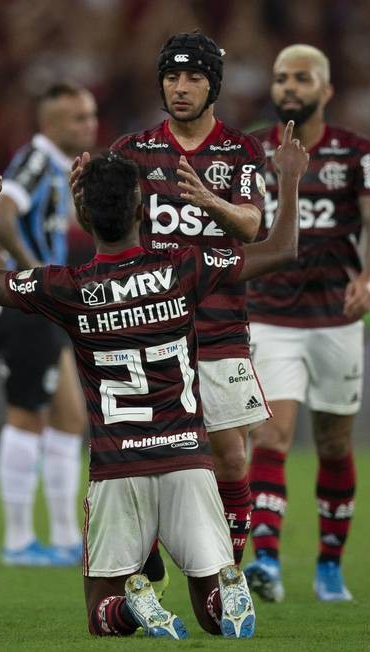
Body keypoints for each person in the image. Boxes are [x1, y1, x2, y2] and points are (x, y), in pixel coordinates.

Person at [0, 124, 308, 637]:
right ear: (143, 211)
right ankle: (224, 587)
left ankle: (131, 607)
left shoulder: (66, 287)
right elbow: (281, 249)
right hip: (188, 462)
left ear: (86, 218)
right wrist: (290, 179)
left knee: (102, 616)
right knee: (212, 616)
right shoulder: (186, 267)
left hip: (119, 473)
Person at [110, 32, 267, 573]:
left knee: (229, 454)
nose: (180, 88)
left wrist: (209, 201)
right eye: (172, 77)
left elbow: (252, 224)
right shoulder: (131, 151)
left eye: (193, 77)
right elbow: (109, 230)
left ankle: (230, 573)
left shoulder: (241, 151)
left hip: (221, 328)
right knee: (144, 457)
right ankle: (145, 565)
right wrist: (87, 199)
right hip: (152, 326)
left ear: (213, 85)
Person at [244, 44, 370, 603]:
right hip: (270, 315)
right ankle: (267, 562)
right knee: (272, 434)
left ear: (326, 90)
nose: (288, 87)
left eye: (301, 78)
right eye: (281, 77)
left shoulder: (357, 152)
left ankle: (330, 566)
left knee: (333, 443)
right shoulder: (250, 150)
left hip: (336, 315)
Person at [0, 83, 97, 566]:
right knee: (26, 416)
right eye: (77, 118)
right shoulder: (33, 160)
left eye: (90, 115)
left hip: (39, 306)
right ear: (50, 125)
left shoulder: (52, 164)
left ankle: (68, 538)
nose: (88, 124)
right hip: (23, 305)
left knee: (71, 416)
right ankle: (18, 540)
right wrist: (34, 276)